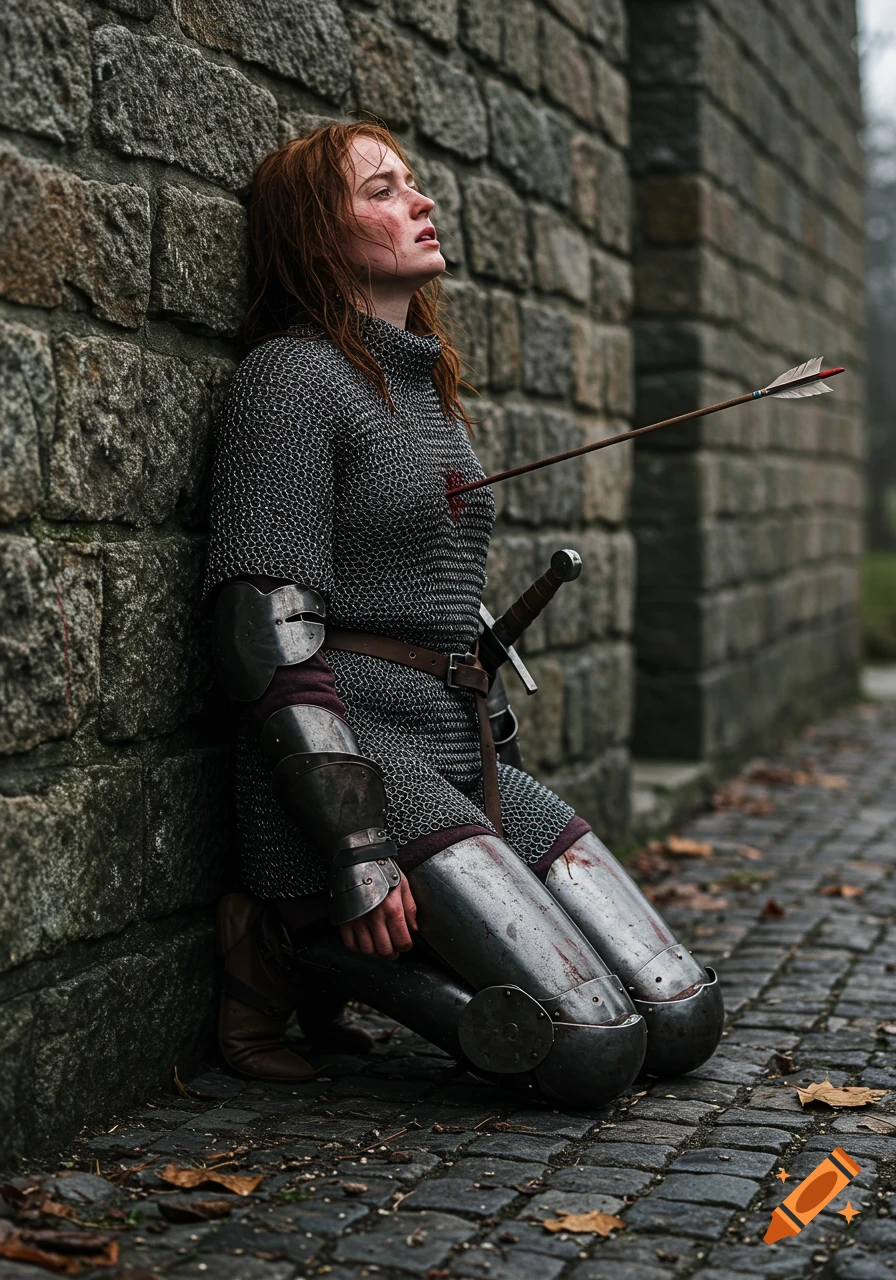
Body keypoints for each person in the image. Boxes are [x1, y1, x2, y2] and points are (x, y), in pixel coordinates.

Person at [204, 122, 723, 1106]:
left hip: (453, 744)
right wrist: (353, 843)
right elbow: (258, 632)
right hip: (357, 753)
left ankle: (313, 946)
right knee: (588, 1044)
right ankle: (282, 941)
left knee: (679, 1013)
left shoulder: (426, 390)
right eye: (382, 189)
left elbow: (427, 589)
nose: (419, 200)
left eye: (412, 183)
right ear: (317, 229)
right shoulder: (290, 378)